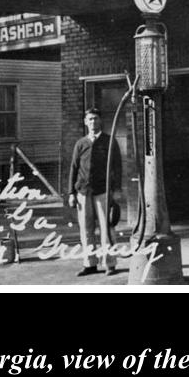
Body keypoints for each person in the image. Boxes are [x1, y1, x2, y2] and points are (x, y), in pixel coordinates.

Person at [68, 109, 122, 276]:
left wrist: (117, 189)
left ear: (100, 121)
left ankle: (110, 264)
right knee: (86, 229)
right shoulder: (81, 143)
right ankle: (90, 264)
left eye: (95, 119)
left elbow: (117, 166)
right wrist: (71, 193)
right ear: (85, 122)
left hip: (103, 191)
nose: (92, 122)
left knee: (106, 228)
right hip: (83, 192)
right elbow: (74, 168)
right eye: (89, 119)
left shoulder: (109, 141)